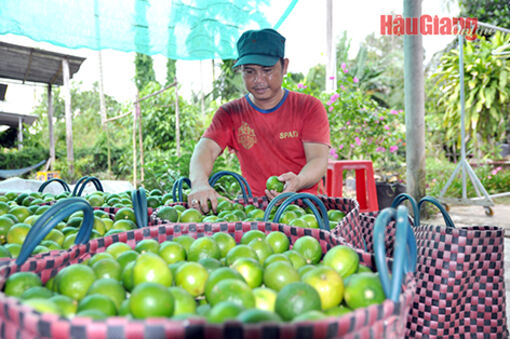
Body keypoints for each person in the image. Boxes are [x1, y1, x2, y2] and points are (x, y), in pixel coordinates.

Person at [188, 28, 330, 213]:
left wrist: (298, 181)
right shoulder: (230, 113)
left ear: (284, 66)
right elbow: (205, 149)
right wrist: (199, 184)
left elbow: (318, 159)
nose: (258, 80)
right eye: (249, 71)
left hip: (309, 208)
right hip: (258, 213)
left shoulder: (308, 107)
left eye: (267, 70)